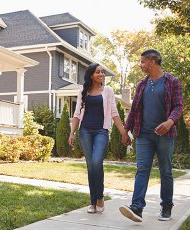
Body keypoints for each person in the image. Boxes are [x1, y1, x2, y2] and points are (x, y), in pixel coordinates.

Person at [119, 49, 183, 222]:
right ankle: (137, 207)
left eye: (142, 62)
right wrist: (126, 130)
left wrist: (170, 122)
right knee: (142, 170)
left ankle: (166, 206)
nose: (140, 65)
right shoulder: (142, 84)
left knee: (166, 171)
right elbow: (134, 109)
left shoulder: (172, 81)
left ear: (152, 62)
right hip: (143, 134)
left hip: (165, 134)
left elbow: (178, 106)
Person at [68, 63, 131, 214]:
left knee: (97, 162)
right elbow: (77, 114)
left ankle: (100, 197)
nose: (101, 74)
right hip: (85, 132)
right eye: (98, 72)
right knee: (91, 166)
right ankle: (92, 202)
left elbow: (114, 113)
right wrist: (72, 133)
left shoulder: (108, 91)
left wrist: (123, 132)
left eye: (102, 72)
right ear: (91, 75)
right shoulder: (83, 92)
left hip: (101, 131)